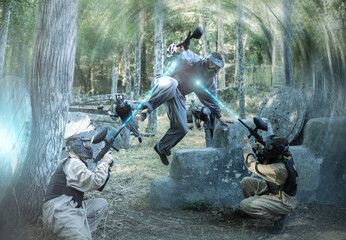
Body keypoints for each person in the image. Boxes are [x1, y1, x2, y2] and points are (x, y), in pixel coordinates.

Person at [136, 44, 234, 165]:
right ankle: (146, 109)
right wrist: (176, 51)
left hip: (178, 95)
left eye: (216, 68)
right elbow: (180, 55)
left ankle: (162, 148)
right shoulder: (194, 60)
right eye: (211, 65)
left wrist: (220, 117)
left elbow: (212, 100)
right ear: (207, 60)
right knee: (172, 83)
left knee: (182, 128)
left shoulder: (209, 82)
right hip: (165, 82)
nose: (213, 69)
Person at [42, 136, 113, 239]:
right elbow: (95, 181)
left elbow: (94, 184)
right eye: (86, 145)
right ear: (77, 147)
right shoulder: (74, 162)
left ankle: (82, 231)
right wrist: (105, 162)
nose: (88, 147)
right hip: (61, 209)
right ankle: (79, 235)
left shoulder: (70, 163)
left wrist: (106, 166)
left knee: (100, 204)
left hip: (69, 205)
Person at [240, 135, 298, 234]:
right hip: (275, 189)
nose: (267, 148)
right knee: (246, 182)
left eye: (270, 147)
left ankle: (279, 218)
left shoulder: (278, 169)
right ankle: (255, 210)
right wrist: (259, 148)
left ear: (277, 150)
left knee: (244, 204)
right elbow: (267, 157)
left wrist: (247, 147)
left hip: (283, 200)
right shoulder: (284, 155)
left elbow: (252, 165)